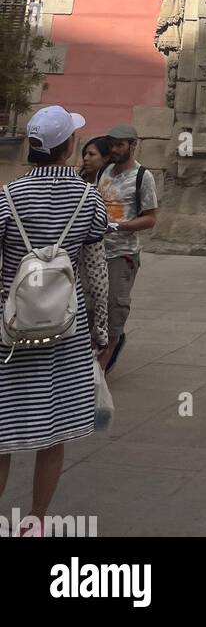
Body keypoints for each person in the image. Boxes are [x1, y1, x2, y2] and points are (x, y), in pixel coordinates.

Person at [0, 106, 109, 535]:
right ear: (69, 146)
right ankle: (37, 520)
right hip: (67, 329)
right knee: (53, 429)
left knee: (3, 430)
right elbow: (95, 264)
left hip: (11, 330)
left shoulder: (7, 198)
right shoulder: (89, 198)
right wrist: (101, 330)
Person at [97, 124, 158, 373]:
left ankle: (102, 367)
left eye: (120, 145)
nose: (114, 149)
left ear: (133, 145)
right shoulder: (105, 171)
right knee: (93, 307)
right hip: (96, 251)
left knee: (115, 306)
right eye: (112, 144)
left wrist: (120, 226)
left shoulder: (143, 176)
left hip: (122, 254)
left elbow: (150, 218)